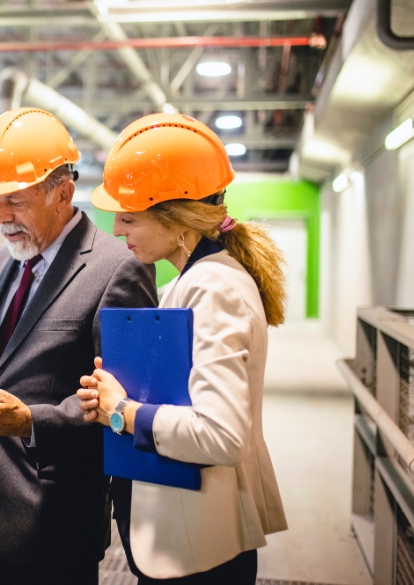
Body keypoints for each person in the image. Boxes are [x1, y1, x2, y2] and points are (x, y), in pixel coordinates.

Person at [0, 107, 157, 584]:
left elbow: (127, 408)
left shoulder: (118, 268)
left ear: (62, 193)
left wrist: (28, 422)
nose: (1, 217)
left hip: (54, 518)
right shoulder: (0, 261)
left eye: (14, 201)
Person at [77, 113, 288, 584]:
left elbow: (221, 435)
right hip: (191, 534)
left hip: (199, 550)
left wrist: (122, 411)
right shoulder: (200, 279)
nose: (115, 229)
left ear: (176, 220)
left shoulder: (213, 288)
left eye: (128, 217)